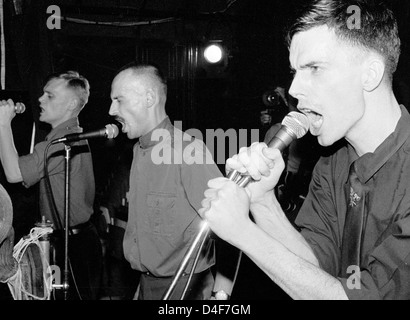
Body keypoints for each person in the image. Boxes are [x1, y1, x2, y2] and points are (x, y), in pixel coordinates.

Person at [199, 0, 410, 300]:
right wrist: (261, 201)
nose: (295, 89)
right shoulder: (332, 162)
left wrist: (243, 232)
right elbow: (314, 270)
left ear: (370, 74)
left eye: (314, 68)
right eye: (296, 71)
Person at [109, 62, 238, 300]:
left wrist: (222, 293)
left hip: (188, 287)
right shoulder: (140, 150)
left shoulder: (188, 151)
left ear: (149, 98)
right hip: (149, 285)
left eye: (119, 100)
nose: (110, 110)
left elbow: (232, 226)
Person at [0, 71, 102, 300]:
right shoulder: (65, 137)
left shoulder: (62, 142)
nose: (40, 100)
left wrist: (3, 124)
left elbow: (14, 173)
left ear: (72, 104)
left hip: (72, 246)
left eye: (50, 95)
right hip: (72, 240)